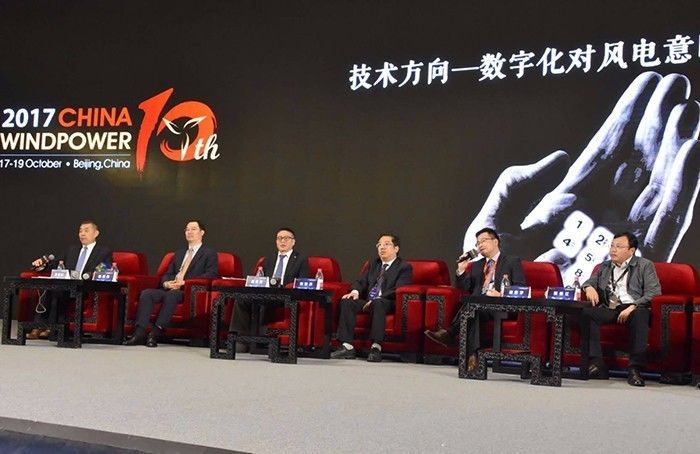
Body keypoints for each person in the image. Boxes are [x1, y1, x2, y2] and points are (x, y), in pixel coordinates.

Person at [424, 227, 525, 372]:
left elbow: (520, 287)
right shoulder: (477, 265)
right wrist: (461, 270)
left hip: (501, 305)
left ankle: (450, 333)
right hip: (479, 306)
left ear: (495, 241)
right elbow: (465, 288)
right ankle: (473, 356)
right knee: (474, 309)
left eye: (484, 241)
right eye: (478, 243)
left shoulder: (511, 261)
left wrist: (501, 294)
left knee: (473, 306)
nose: (480, 245)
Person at [581, 231, 661, 387]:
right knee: (585, 313)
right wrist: (588, 287)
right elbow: (589, 281)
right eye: (612, 246)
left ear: (631, 251)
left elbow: (654, 292)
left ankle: (635, 368)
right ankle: (597, 364)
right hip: (611, 308)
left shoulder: (644, 265)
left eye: (618, 246)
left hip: (633, 307)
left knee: (641, 314)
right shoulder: (605, 266)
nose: (613, 250)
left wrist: (634, 305)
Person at [125, 220, 218, 347]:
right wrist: (166, 283)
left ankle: (156, 332)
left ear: (202, 232)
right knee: (147, 294)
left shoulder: (209, 253)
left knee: (172, 295)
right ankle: (139, 333)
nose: (189, 232)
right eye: (187, 229)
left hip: (187, 291)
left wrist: (185, 283)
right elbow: (168, 273)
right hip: (171, 288)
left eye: (193, 229)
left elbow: (211, 274)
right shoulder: (179, 253)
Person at [331, 233, 412, 362]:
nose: (382, 247)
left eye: (386, 244)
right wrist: (355, 292)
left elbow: (398, 289)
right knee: (347, 301)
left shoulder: (404, 267)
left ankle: (376, 347)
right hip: (368, 301)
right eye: (379, 245)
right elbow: (361, 281)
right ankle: (347, 346)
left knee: (378, 303)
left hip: (388, 302)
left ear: (396, 249)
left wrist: (376, 299)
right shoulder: (374, 264)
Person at [26, 220, 112, 340]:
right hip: (67, 285)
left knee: (59, 291)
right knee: (50, 288)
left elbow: (105, 267)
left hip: (86, 287)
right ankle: (39, 326)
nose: (82, 234)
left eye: (86, 231)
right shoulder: (72, 250)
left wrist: (88, 275)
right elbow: (56, 264)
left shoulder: (103, 251)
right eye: (80, 231)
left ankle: (52, 329)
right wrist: (42, 265)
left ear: (96, 233)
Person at [229, 227, 309, 352]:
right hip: (267, 293)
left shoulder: (300, 260)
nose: (282, 241)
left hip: (285, 296)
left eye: (286, 238)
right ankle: (240, 339)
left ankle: (261, 341)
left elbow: (302, 282)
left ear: (293, 242)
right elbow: (262, 278)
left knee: (266, 302)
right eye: (279, 238)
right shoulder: (269, 259)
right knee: (241, 299)